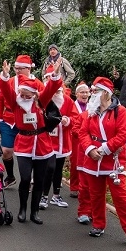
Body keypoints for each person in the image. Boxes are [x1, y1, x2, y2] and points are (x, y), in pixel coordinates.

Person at [78, 77, 126, 247]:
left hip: (114, 160)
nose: (92, 94)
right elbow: (82, 133)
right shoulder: (90, 111)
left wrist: (104, 149)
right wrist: (90, 150)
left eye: (95, 91)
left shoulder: (120, 111)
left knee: (120, 197)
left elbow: (122, 135)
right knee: (96, 195)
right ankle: (98, 224)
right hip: (93, 160)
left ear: (106, 93)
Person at [0, 57, 63, 224]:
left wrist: (55, 74)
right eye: (22, 92)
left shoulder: (41, 99)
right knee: (26, 178)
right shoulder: (16, 102)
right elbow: (6, 90)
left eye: (27, 93)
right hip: (23, 144)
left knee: (39, 180)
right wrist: (5, 76)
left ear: (34, 93)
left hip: (42, 143)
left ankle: (34, 212)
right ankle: (22, 209)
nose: (23, 95)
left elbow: (52, 87)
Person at [41, 77, 79, 210]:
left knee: (58, 169)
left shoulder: (68, 101)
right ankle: (44, 195)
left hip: (62, 141)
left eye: (59, 90)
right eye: (54, 91)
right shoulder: (44, 101)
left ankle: (56, 196)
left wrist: (67, 120)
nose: (57, 93)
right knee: (49, 168)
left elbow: (76, 118)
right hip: (47, 141)